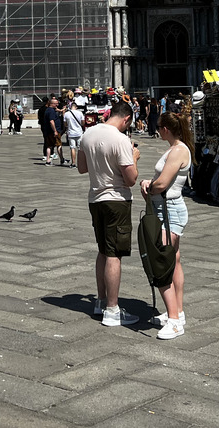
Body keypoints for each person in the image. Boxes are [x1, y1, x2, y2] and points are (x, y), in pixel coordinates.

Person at [78, 98, 140, 328]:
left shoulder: (88, 134)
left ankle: (100, 301)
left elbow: (82, 168)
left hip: (95, 198)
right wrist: (133, 158)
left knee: (103, 250)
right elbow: (131, 179)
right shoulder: (121, 139)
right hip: (116, 200)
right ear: (126, 119)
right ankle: (113, 310)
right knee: (114, 253)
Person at [140, 110, 193, 339]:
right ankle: (177, 312)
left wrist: (147, 185)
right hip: (166, 208)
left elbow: (161, 184)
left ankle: (174, 321)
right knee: (174, 261)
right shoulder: (176, 148)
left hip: (169, 209)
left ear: (165, 129)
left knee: (161, 262)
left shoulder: (179, 150)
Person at [62, 99, 85, 168]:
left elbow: (65, 124)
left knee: (72, 148)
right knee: (80, 149)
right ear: (76, 107)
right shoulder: (80, 113)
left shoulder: (66, 114)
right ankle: (81, 163)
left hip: (71, 133)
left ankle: (73, 163)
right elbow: (83, 123)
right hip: (79, 132)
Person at [41, 96, 62, 166]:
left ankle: (48, 160)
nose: (57, 105)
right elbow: (51, 121)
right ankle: (61, 159)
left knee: (49, 146)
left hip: (48, 131)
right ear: (52, 104)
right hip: (52, 131)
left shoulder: (48, 110)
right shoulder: (51, 111)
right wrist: (55, 130)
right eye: (56, 104)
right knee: (59, 145)